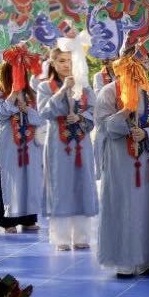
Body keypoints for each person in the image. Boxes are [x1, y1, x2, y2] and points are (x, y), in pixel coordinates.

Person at [94, 49, 149, 278]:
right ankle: (124, 260)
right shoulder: (110, 92)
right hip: (120, 163)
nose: (142, 65)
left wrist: (147, 133)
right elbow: (103, 126)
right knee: (124, 206)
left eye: (146, 60)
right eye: (137, 61)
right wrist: (125, 113)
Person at [37, 46, 98, 251]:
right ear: (53, 63)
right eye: (62, 61)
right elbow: (44, 112)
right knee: (60, 186)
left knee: (82, 185)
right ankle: (61, 238)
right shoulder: (45, 87)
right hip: (58, 145)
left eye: (70, 61)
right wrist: (63, 90)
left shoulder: (85, 88)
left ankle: (82, 236)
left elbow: (94, 112)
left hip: (81, 145)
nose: (67, 65)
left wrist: (80, 117)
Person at [0, 51, 44, 233]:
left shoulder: (32, 94)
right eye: (14, 71)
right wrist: (12, 94)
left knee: (30, 179)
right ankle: (7, 221)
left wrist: (27, 109)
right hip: (8, 144)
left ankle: (28, 219)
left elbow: (41, 118)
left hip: (30, 144)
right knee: (9, 179)